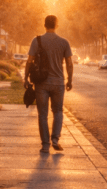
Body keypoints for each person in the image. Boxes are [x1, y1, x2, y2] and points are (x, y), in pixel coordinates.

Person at [24, 15, 74, 153]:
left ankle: (45, 144)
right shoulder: (64, 42)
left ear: (44, 25)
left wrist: (25, 78)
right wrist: (69, 80)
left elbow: (29, 61)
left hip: (41, 84)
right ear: (56, 25)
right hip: (58, 83)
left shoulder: (37, 40)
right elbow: (69, 64)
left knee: (42, 114)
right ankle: (55, 139)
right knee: (58, 111)